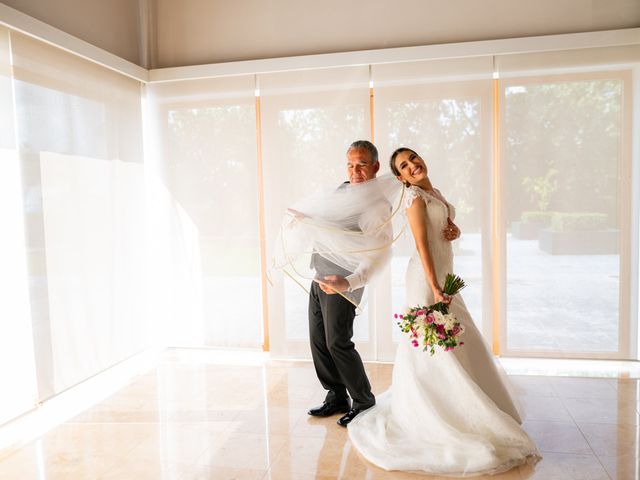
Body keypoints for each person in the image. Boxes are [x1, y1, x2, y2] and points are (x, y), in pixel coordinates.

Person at [347, 147, 541, 475]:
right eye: (404, 166)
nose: (413, 166)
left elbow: (445, 229)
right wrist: (434, 287)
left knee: (459, 342)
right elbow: (422, 245)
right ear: (400, 177)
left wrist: (455, 230)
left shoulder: (433, 192)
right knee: (437, 350)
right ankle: (441, 412)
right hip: (427, 279)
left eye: (413, 159)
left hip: (443, 275)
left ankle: (472, 405)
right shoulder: (414, 199)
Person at [307, 140, 390, 427]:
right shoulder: (341, 191)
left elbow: (378, 252)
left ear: (376, 167)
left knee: (337, 342)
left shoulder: (377, 206)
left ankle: (364, 399)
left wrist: (350, 282)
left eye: (362, 165)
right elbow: (327, 221)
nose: (355, 171)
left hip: (342, 280)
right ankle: (336, 395)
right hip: (320, 273)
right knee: (318, 340)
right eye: (351, 165)